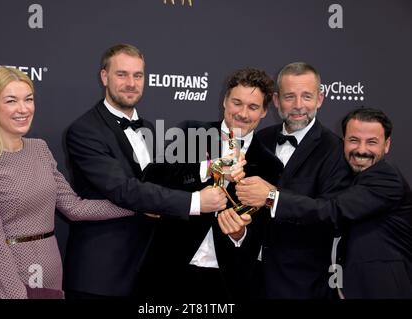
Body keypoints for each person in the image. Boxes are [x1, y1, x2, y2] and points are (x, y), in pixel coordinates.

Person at [63, 44, 227, 298]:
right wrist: (196, 201)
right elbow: (125, 190)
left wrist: (209, 170)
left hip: (146, 270)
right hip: (101, 275)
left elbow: (163, 181)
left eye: (138, 75)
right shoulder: (85, 131)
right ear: (104, 77)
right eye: (122, 74)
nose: (131, 83)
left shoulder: (148, 127)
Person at [0, 67, 136, 299]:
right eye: (11, 101)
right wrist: (16, 294)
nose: (23, 109)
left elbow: (75, 208)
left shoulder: (39, 149)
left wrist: (137, 206)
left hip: (52, 276)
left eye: (29, 99)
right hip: (8, 285)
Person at [233, 107, 412, 298]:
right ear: (343, 142)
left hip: (382, 289)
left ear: (387, 145)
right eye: (353, 140)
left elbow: (333, 211)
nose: (361, 149)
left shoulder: (386, 177)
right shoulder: (351, 177)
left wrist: (271, 197)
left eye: (372, 142)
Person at [140, 68, 282, 300]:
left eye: (253, 107)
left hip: (228, 282)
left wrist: (239, 233)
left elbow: (262, 231)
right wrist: (209, 167)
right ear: (225, 100)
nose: (243, 113)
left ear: (265, 111)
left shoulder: (270, 165)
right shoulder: (191, 133)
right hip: (169, 271)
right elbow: (151, 180)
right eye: (237, 102)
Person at [219, 62, 353, 299]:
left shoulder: (336, 150)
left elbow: (333, 216)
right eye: (290, 97)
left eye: (307, 96)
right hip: (246, 278)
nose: (298, 105)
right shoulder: (261, 138)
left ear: (320, 99)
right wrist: (238, 231)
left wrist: (273, 198)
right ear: (277, 100)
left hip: (300, 284)